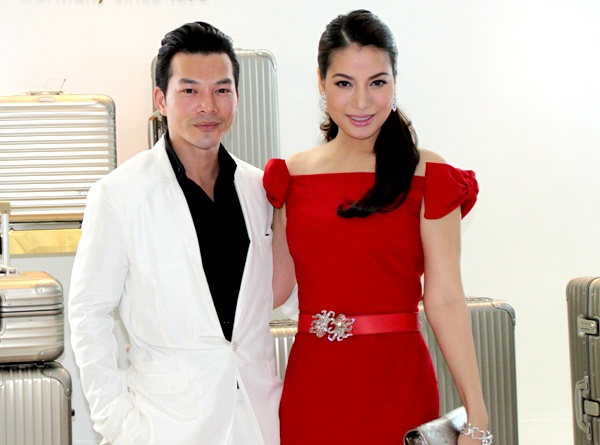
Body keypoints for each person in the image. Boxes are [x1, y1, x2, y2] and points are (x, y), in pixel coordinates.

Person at [263, 9, 491, 445]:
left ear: (395, 82)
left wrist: (476, 414)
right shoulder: (289, 177)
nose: (362, 102)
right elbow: (270, 291)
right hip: (314, 387)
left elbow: (445, 298)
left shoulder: (429, 174)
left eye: (377, 82)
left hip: (399, 383)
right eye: (344, 83)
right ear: (321, 83)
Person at [69, 21, 281, 445]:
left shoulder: (259, 190)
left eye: (222, 90)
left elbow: (272, 298)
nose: (208, 106)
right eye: (189, 90)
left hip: (257, 418)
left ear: (237, 97)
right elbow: (89, 314)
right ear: (161, 100)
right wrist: (116, 422)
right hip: (165, 424)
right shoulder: (119, 194)